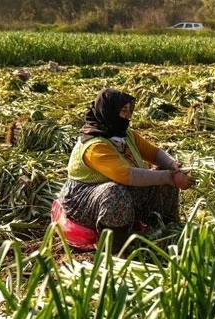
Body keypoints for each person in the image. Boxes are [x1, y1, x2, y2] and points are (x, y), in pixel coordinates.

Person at [57, 88, 195, 251]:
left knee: (161, 177)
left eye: (130, 110)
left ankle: (166, 229)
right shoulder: (95, 146)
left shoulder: (125, 134)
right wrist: (170, 177)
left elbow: (153, 152)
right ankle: (117, 248)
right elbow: (126, 175)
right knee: (115, 194)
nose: (128, 116)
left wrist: (173, 165)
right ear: (109, 111)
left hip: (124, 187)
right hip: (84, 198)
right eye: (124, 111)